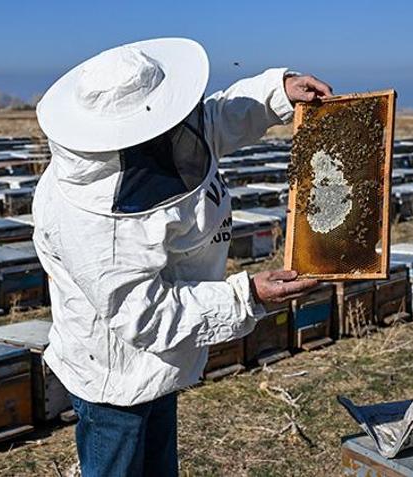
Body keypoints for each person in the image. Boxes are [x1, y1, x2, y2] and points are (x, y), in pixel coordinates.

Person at [33, 37, 331, 477]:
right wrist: (247, 296)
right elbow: (145, 315)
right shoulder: (88, 218)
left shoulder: (166, 135)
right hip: (115, 375)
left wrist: (276, 93)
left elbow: (211, 119)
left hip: (160, 362)